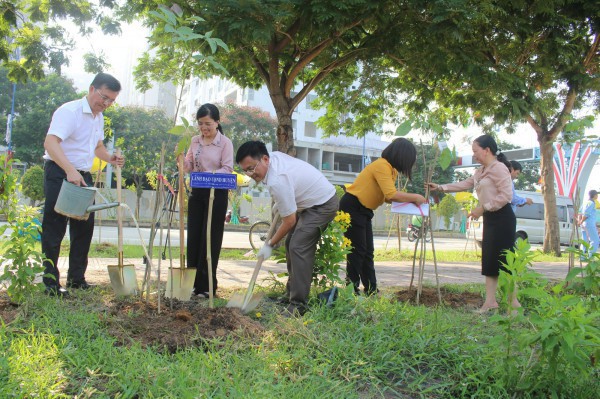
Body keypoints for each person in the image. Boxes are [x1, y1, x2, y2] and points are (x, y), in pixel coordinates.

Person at [41, 72, 124, 297]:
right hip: (60, 172)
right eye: (104, 97)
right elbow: (50, 142)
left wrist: (110, 158)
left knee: (83, 227)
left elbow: (97, 147)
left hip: (82, 175)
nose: (106, 104)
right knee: (55, 227)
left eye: (111, 101)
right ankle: (50, 283)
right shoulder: (70, 111)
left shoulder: (99, 118)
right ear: (91, 89)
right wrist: (69, 170)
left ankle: (77, 278)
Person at [235, 141, 339, 315]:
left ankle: (298, 306)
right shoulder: (272, 161)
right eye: (245, 170)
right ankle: (291, 294)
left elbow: (289, 221)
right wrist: (281, 204)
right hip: (308, 203)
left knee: (298, 246)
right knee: (292, 242)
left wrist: (270, 245)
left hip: (323, 204)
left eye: (252, 168)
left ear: (265, 159)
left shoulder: (277, 180)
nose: (250, 174)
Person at [427, 135, 520, 314]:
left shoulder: (499, 168)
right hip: (491, 219)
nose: (474, 155)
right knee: (490, 261)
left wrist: (482, 208)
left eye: (476, 151)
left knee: (506, 262)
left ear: (487, 150)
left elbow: (506, 196)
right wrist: (440, 187)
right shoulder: (481, 171)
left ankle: (513, 304)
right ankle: (490, 302)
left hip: (503, 218)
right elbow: (465, 184)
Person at [340, 138, 426, 295]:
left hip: (364, 210)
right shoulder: (382, 165)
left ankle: (371, 290)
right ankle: (350, 291)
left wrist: (410, 202)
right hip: (353, 206)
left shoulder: (390, 169)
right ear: (401, 156)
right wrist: (415, 197)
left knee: (367, 252)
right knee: (357, 251)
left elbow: (387, 197)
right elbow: (391, 194)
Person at [179, 103, 233, 298]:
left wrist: (207, 175)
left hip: (216, 194)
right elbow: (188, 166)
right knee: (193, 236)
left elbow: (227, 169)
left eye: (208, 124)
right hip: (197, 191)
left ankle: (207, 286)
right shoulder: (195, 141)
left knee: (209, 238)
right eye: (201, 124)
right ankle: (192, 284)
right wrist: (180, 159)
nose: (204, 128)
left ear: (217, 123)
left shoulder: (225, 143)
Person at [577, 189, 599, 258]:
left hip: (584, 225)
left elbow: (579, 212)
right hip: (589, 224)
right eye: (597, 195)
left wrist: (579, 221)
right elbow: (586, 214)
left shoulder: (585, 202)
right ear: (595, 195)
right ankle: (590, 256)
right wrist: (581, 220)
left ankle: (582, 257)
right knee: (595, 240)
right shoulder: (591, 203)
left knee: (584, 241)